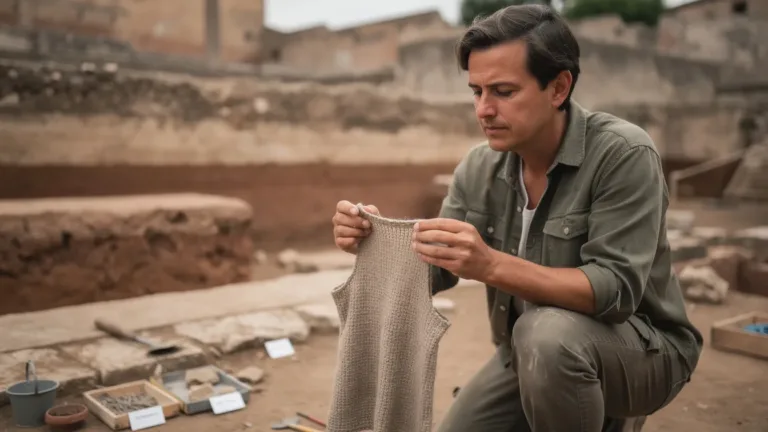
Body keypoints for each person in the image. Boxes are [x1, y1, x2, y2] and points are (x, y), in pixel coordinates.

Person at [331, 4, 702, 432]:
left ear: (559, 88)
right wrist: (374, 240)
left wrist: (490, 264)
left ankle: (609, 410)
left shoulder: (623, 154)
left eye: (503, 92)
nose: (483, 110)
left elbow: (614, 291)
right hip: (525, 354)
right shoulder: (477, 167)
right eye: (476, 91)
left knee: (545, 336)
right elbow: (436, 271)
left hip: (643, 349)